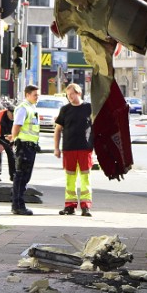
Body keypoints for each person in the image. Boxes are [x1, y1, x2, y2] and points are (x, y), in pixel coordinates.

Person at [54, 83, 94, 216]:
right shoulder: (65, 109)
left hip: (85, 148)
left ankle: (85, 206)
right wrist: (56, 148)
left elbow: (96, 128)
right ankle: (69, 206)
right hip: (69, 148)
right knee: (70, 178)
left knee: (85, 177)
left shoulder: (89, 108)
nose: (69, 97)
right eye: (68, 95)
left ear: (79, 93)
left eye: (72, 94)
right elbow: (58, 130)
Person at [7, 84, 41, 216]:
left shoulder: (32, 108)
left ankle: (18, 204)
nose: (37, 97)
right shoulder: (23, 108)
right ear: (27, 95)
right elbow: (17, 125)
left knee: (24, 177)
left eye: (38, 95)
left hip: (30, 146)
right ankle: (17, 205)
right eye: (35, 95)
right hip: (24, 146)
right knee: (21, 177)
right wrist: (14, 138)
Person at [0, 99, 16, 182]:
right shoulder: (0, 115)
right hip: (0, 137)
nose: (13, 117)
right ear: (7, 112)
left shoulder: (17, 117)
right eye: (11, 115)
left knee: (12, 156)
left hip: (10, 138)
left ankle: (13, 175)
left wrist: (13, 139)